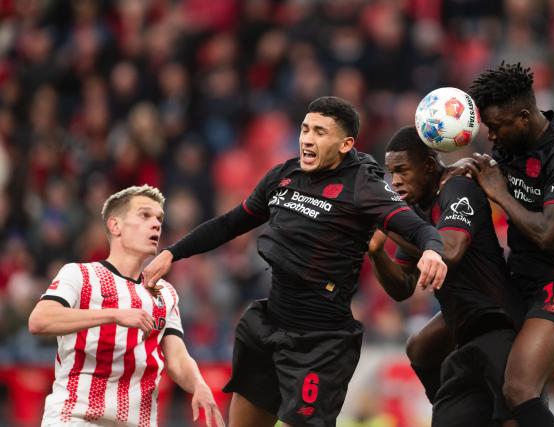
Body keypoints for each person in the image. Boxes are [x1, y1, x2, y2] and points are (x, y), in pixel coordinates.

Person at [142, 96, 448, 427]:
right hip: (269, 325)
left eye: (320, 132)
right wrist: (173, 252)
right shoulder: (284, 176)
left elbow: (417, 228)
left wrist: (432, 249)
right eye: (305, 129)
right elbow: (230, 223)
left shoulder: (363, 185)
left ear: (345, 144)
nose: (307, 139)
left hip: (320, 342)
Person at [462, 62, 554, 427]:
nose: (490, 137)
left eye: (495, 128)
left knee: (519, 389)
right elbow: (491, 168)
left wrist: (500, 193)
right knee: (427, 348)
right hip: (518, 276)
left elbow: (547, 233)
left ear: (523, 117)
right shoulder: (513, 140)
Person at [29, 185, 225, 427]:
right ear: (115, 226)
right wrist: (114, 314)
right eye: (144, 215)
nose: (156, 224)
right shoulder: (80, 274)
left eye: (159, 218)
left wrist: (199, 385)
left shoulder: (165, 292)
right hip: (75, 418)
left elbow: (177, 358)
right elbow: (40, 320)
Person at [367, 126, 523, 426]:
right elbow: (402, 287)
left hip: (497, 315)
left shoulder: (457, 188)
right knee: (419, 348)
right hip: (464, 322)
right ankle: (459, 402)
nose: (395, 180)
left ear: (428, 165)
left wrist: (388, 225)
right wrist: (376, 252)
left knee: (512, 414)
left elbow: (449, 251)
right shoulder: (412, 210)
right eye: (391, 172)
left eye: (402, 170)